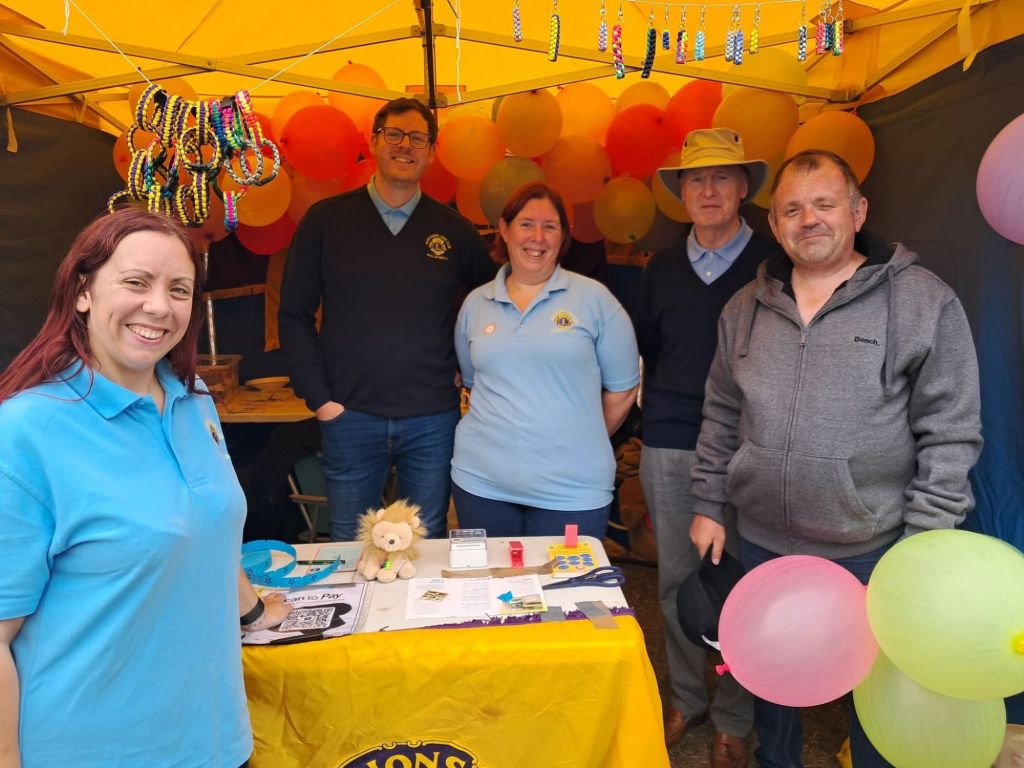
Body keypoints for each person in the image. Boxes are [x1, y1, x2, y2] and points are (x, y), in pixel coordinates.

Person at [690, 150, 983, 768]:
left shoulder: (922, 301)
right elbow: (720, 411)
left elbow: (951, 431)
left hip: (871, 548)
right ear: (775, 226)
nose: (810, 220)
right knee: (772, 680)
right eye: (793, 209)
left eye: (824, 204)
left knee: (876, 698)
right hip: (763, 541)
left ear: (858, 211)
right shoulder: (744, 308)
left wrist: (920, 543)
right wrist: (709, 502)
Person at [0, 207, 291, 768]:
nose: (159, 306)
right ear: (82, 291)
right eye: (136, 282)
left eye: (179, 289)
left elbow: (205, 527)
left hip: (216, 742)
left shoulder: (193, 398)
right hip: (92, 751)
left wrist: (252, 612)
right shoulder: (25, 432)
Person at [279, 97, 496, 542]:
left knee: (424, 544)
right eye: (394, 134)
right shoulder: (326, 222)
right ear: (374, 142)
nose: (405, 146)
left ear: (432, 152)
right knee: (351, 546)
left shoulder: (454, 230)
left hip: (432, 419)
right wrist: (320, 399)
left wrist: (468, 360)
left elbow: (493, 300)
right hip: (349, 416)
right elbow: (294, 314)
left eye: (418, 138)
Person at [636, 126, 778, 766]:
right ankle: (687, 698)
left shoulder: (775, 262)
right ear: (682, 192)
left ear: (744, 187)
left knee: (742, 585)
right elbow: (653, 351)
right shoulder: (661, 268)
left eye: (722, 176)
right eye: (697, 179)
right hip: (671, 439)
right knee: (676, 579)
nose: (709, 189)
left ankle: (733, 718)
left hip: (752, 446)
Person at [450, 183, 640, 539]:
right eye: (526, 224)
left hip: (573, 490)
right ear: (504, 229)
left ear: (563, 235)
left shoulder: (595, 300)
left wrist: (581, 437)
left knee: (564, 578)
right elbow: (475, 383)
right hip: (482, 483)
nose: (537, 237)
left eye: (550, 226)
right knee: (493, 576)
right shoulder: (476, 304)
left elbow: (624, 389)